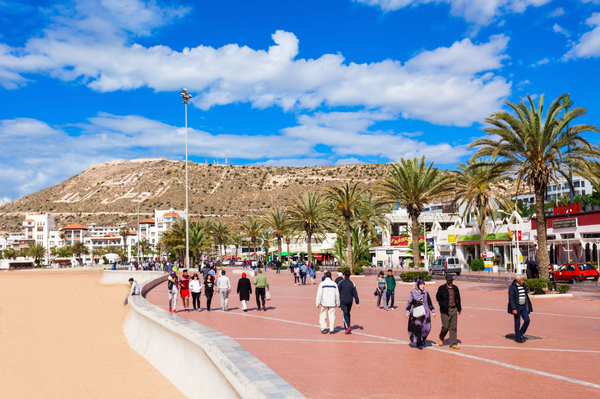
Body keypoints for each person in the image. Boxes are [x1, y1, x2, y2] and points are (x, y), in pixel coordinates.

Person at [406, 279, 436, 349]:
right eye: (421, 284)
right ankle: (419, 343)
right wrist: (407, 311)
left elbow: (429, 302)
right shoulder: (413, 293)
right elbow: (410, 302)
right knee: (417, 328)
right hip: (417, 313)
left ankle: (423, 339)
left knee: (427, 328)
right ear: (418, 285)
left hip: (426, 313)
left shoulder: (426, 292)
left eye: (423, 284)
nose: (422, 286)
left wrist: (433, 311)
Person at [436, 274, 462, 350]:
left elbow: (458, 299)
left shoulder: (455, 288)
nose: (450, 281)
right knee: (446, 326)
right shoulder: (441, 288)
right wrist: (441, 304)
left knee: (453, 327)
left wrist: (459, 309)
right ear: (446, 280)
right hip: (445, 310)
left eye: (451, 280)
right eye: (449, 280)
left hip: (454, 309)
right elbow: (438, 297)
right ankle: (441, 337)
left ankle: (453, 343)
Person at [508, 275, 533, 343]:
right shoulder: (512, 287)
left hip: (523, 306)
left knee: (527, 320)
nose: (523, 281)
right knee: (517, 322)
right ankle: (518, 337)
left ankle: (520, 333)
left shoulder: (524, 286)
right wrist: (513, 308)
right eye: (522, 280)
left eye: (523, 280)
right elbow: (511, 299)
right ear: (517, 280)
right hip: (517, 307)